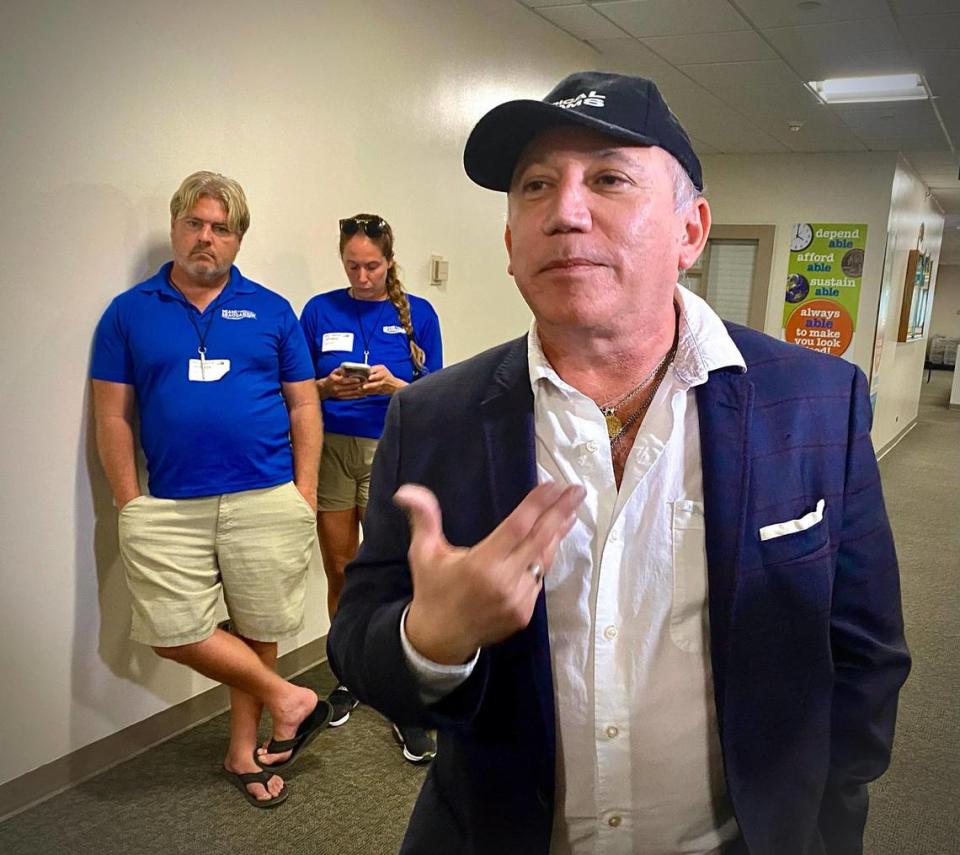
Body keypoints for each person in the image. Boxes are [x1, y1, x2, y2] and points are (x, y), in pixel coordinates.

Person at [327, 72, 911, 854]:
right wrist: (431, 638)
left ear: (691, 231)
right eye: (536, 185)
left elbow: (865, 656)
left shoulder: (815, 402)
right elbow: (358, 639)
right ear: (510, 245)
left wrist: (826, 820)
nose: (565, 212)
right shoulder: (435, 417)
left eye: (609, 178)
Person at [91, 171, 330, 809]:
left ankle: (241, 750)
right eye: (195, 224)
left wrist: (304, 489)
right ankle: (289, 698)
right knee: (170, 629)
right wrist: (127, 500)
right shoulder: (128, 313)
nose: (206, 238)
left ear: (238, 238)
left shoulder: (274, 310)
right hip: (167, 503)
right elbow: (112, 414)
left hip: (267, 493)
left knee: (258, 627)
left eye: (221, 228)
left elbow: (304, 406)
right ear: (174, 228)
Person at [300, 213, 442, 762]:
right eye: (353, 266)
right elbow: (297, 389)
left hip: (392, 451)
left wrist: (397, 383)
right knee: (341, 568)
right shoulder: (317, 311)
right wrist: (326, 387)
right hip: (333, 449)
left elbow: (437, 391)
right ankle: (350, 674)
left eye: (373, 266)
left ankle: (407, 697)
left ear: (390, 261)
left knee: (397, 574)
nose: (362, 276)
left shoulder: (418, 315)